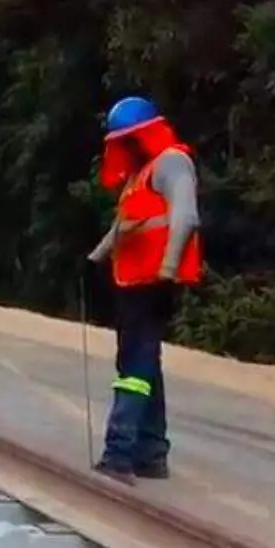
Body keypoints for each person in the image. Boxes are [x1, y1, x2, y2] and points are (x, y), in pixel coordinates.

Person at [86, 96, 203, 484]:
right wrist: (95, 258)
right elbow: (124, 227)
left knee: (134, 367)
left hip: (154, 282)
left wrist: (168, 270)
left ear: (146, 134)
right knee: (145, 363)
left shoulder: (171, 162)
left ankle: (119, 453)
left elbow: (186, 216)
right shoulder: (140, 176)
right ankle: (151, 454)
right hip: (133, 283)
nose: (127, 147)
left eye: (131, 139)